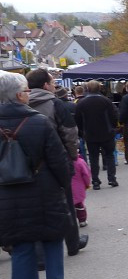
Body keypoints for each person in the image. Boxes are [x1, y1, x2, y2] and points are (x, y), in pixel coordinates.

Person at [0, 71, 74, 279]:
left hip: (7, 195)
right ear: (20, 95)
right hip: (44, 189)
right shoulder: (38, 121)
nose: (29, 94)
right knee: (52, 239)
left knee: (21, 248)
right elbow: (58, 159)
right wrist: (65, 185)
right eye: (27, 91)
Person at [27, 70, 88, 256]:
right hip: (56, 160)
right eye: (52, 82)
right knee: (66, 203)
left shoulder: (22, 104)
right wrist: (72, 155)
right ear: (45, 85)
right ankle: (72, 243)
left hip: (28, 163)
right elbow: (69, 132)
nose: (54, 85)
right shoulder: (55, 104)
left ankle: (38, 253)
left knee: (34, 207)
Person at [75, 80, 118, 189]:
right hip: (106, 133)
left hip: (90, 134)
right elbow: (113, 116)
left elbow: (78, 120)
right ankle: (112, 178)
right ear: (99, 88)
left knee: (93, 158)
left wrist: (81, 132)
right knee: (109, 156)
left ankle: (95, 181)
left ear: (87, 89)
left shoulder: (81, 103)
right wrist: (113, 128)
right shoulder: (106, 101)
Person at [71, 154, 91, 226]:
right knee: (79, 204)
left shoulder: (61, 161)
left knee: (68, 205)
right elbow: (86, 174)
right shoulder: (80, 162)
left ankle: (70, 221)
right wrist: (87, 184)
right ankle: (82, 220)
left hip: (65, 187)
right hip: (78, 188)